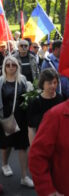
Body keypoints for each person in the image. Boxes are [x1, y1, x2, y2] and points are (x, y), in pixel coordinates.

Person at [0, 56, 34, 187]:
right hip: (6, 117)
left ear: (17, 66)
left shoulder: (23, 80)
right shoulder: (1, 81)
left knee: (22, 146)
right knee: (6, 144)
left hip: (21, 117)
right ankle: (5, 164)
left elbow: (26, 96)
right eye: (8, 65)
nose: (10, 67)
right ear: (4, 67)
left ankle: (24, 176)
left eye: (13, 65)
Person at [27, 68, 64, 145]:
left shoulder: (61, 99)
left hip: (59, 141)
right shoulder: (35, 102)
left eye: (55, 82)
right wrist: (33, 147)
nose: (53, 86)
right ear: (42, 84)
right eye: (49, 83)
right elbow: (31, 128)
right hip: (42, 141)